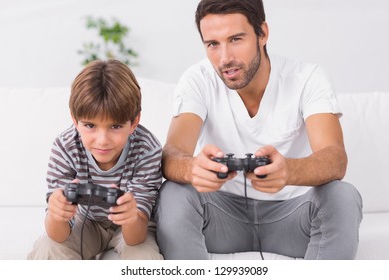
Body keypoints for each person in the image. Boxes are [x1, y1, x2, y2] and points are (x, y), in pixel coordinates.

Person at [155, 0, 363, 260]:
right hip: (221, 217)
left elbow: (335, 158)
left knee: (342, 196)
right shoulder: (197, 79)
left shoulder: (307, 78)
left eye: (236, 39)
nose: (225, 58)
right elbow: (172, 154)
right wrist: (193, 168)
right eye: (213, 44)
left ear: (262, 33)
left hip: (293, 218)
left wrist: (289, 170)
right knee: (174, 192)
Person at [28, 59, 163, 260]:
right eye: (90, 126)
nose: (102, 141)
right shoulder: (65, 146)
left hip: (132, 224)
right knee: (47, 248)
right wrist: (57, 214)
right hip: (87, 221)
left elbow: (136, 237)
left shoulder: (147, 148)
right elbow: (57, 235)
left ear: (134, 121)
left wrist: (131, 216)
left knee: (144, 258)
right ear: (75, 120)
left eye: (115, 126)